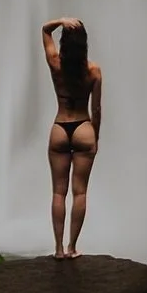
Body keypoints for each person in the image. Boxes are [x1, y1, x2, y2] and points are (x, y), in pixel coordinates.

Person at [41, 15, 102, 259]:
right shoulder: (93, 70)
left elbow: (45, 31)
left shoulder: (55, 63)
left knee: (58, 192)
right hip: (83, 127)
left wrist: (60, 21)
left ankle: (57, 249)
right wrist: (95, 136)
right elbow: (97, 109)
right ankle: (72, 247)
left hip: (60, 126)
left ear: (65, 41)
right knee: (80, 193)